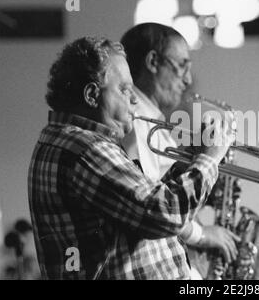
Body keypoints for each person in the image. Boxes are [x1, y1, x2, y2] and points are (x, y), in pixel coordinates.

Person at [28, 36, 234, 279]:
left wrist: (193, 162)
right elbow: (165, 214)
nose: (134, 99)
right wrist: (210, 157)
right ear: (92, 95)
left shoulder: (74, 141)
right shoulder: (85, 148)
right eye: (125, 90)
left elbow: (137, 210)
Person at [120, 23, 240, 278]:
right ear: (153, 61)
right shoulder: (136, 123)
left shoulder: (155, 125)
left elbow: (167, 191)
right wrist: (202, 234)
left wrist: (203, 173)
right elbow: (155, 207)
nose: (187, 79)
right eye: (182, 65)